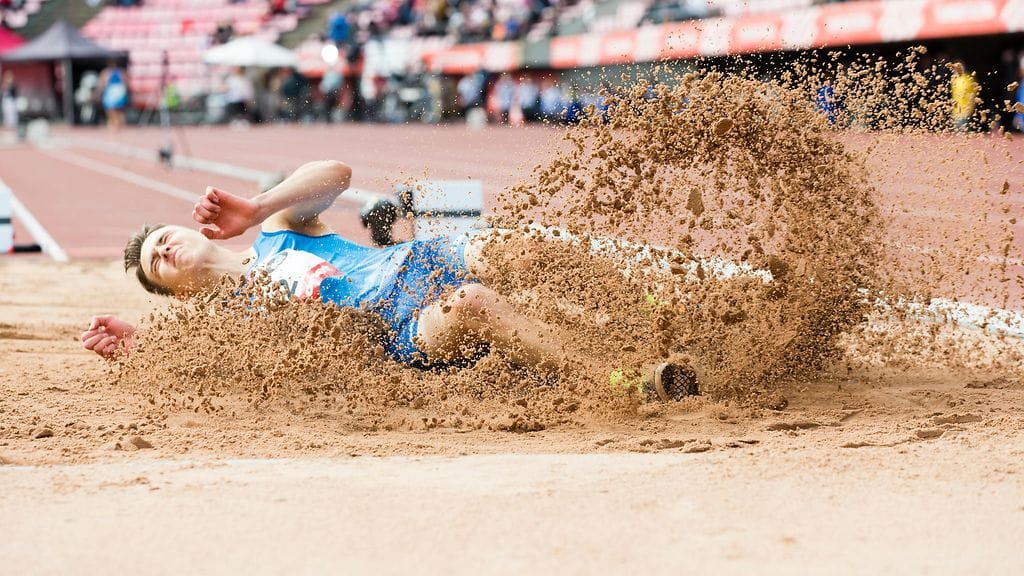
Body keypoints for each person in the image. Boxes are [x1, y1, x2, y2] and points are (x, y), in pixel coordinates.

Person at [79, 160, 699, 402]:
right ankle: (625, 383)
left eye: (163, 236)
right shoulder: (230, 322)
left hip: (423, 260)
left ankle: (651, 310)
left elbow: (336, 175)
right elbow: (201, 369)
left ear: (195, 232)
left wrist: (259, 206)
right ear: (176, 290)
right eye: (154, 264)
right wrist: (138, 345)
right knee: (474, 302)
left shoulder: (279, 234)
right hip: (402, 328)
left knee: (508, 242)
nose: (161, 247)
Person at [100, 60, 129, 132]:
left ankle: (116, 123)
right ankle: (115, 123)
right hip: (114, 90)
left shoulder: (111, 72)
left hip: (115, 90)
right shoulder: (108, 72)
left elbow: (103, 82)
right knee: (112, 108)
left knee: (116, 109)